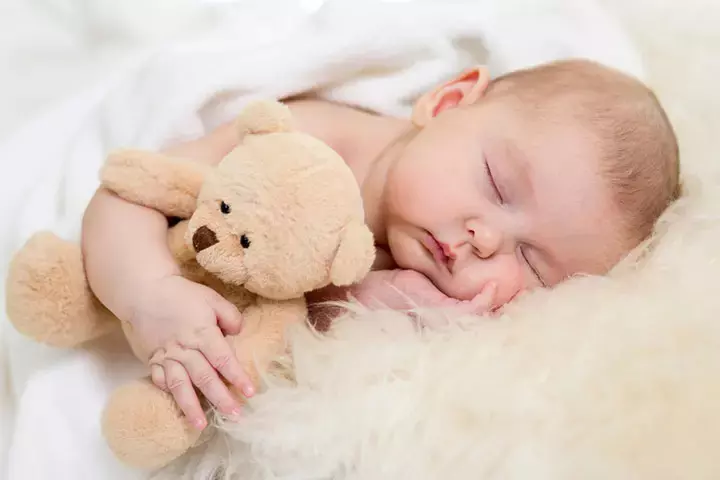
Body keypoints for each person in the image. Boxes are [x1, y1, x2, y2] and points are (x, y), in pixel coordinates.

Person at [80, 58, 681, 430]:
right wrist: (147, 295)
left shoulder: (424, 288)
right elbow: (129, 192)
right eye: (497, 183)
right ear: (446, 103)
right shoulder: (308, 145)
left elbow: (289, 310)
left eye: (532, 263)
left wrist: (367, 302)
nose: (486, 240)